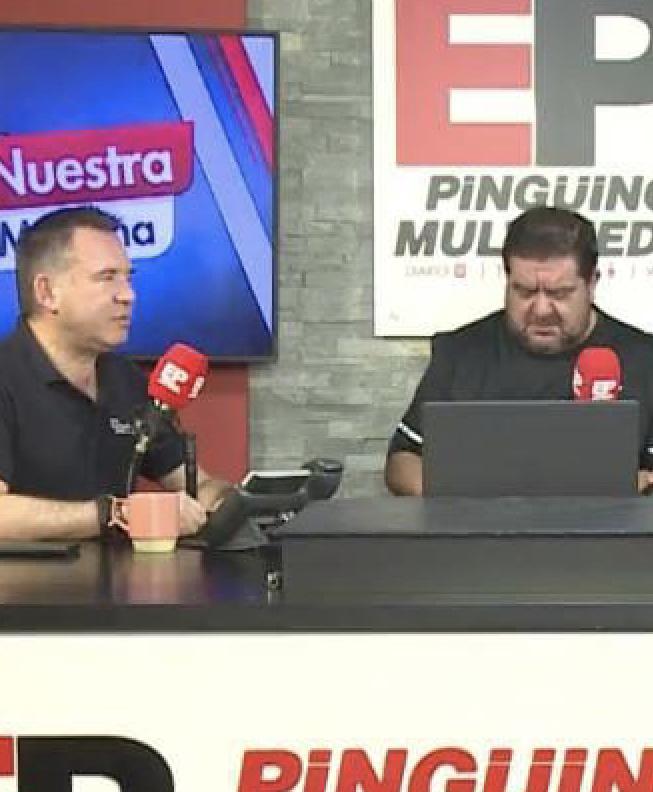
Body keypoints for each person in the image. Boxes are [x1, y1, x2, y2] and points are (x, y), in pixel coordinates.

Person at [385, 206, 653, 496]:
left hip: (609, 526)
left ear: (592, 283)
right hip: (481, 524)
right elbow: (404, 460)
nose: (541, 310)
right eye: (524, 291)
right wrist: (462, 502)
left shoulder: (645, 359)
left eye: (559, 294)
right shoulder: (461, 353)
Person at [0, 206, 231, 539]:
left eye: (128, 278)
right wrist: (112, 514)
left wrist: (221, 503)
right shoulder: (7, 376)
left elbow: (197, 484)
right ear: (47, 293)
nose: (128, 295)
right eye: (107, 278)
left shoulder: (125, 380)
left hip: (123, 574)